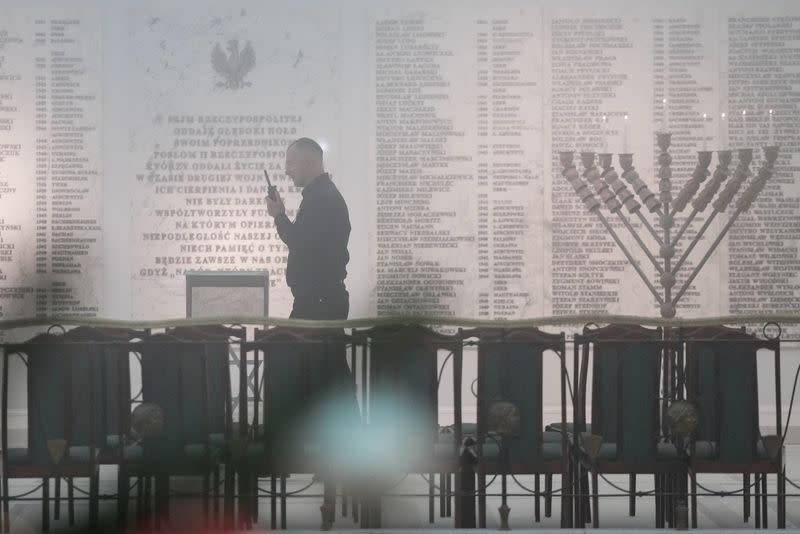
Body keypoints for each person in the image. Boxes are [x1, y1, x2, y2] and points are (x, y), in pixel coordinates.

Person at [266, 137, 351, 320]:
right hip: (318, 300)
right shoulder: (321, 195)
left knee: (284, 346)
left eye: (291, 164)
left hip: (319, 303)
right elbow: (306, 241)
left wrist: (279, 216)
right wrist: (280, 215)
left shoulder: (322, 198)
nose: (287, 171)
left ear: (308, 163)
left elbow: (301, 243)